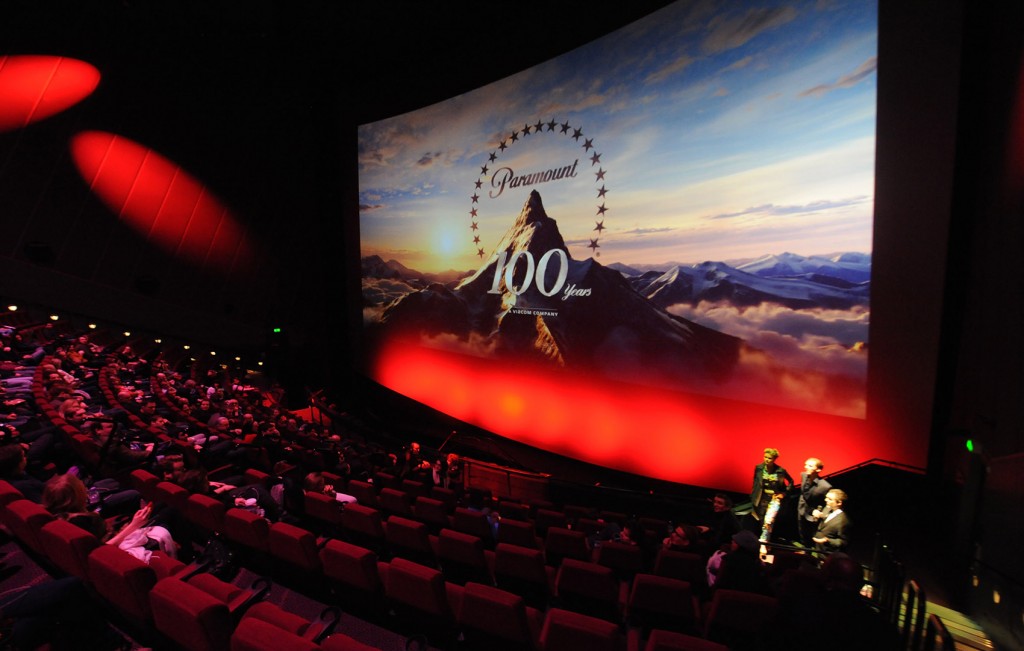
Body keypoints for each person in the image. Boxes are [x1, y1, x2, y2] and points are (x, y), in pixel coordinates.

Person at [42, 473, 177, 563]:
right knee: (170, 511)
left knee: (161, 506)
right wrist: (134, 525)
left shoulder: (59, 516)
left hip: (112, 534)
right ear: (75, 495)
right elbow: (101, 550)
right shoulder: (80, 521)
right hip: (116, 550)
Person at [750, 447, 794, 539]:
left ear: (774, 459)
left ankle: (764, 541)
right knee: (761, 519)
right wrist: (753, 493)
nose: (767, 459)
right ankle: (763, 540)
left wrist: (784, 493)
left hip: (774, 499)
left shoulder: (780, 470)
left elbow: (791, 481)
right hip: (761, 498)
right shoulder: (759, 468)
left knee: (769, 520)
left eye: (769, 458)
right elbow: (755, 481)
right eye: (765, 457)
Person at [796, 457, 832, 546]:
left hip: (812, 514)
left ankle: (809, 554)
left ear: (818, 469)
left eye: (810, 466)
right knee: (801, 532)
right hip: (801, 509)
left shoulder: (825, 486)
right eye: (806, 465)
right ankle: (804, 550)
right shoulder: (803, 475)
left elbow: (828, 504)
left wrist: (820, 512)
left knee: (810, 535)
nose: (806, 467)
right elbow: (803, 493)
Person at [812, 488, 851, 554]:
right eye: (826, 498)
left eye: (830, 499)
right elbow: (823, 525)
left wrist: (827, 541)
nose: (825, 500)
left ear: (839, 503)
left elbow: (843, 542)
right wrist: (816, 516)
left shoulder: (843, 521)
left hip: (827, 553)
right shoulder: (827, 508)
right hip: (817, 549)